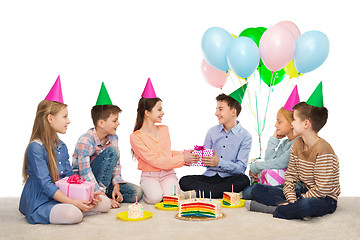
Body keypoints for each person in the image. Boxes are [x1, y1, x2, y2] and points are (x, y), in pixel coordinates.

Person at [19, 77, 110, 224]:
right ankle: (72, 208)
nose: (69, 121)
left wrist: (89, 192)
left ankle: (75, 206)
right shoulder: (35, 148)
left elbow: (69, 177)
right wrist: (73, 202)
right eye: (65, 116)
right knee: (74, 214)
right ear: (50, 118)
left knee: (104, 203)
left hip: (64, 195)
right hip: (41, 201)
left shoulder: (61, 145)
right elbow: (46, 185)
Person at [246, 82, 340, 220]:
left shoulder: (324, 150)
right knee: (258, 189)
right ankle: (289, 207)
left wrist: (301, 199)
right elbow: (290, 177)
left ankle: (274, 209)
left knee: (307, 204)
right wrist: (291, 199)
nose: (292, 124)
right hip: (302, 192)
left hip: (324, 198)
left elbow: (322, 189)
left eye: (294, 120)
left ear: (306, 124)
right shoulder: (297, 145)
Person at [72, 82, 143, 209]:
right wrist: (103, 196)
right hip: (86, 184)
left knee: (136, 193)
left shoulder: (113, 138)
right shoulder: (86, 140)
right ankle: (101, 198)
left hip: (105, 182)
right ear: (101, 123)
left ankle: (107, 195)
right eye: (115, 120)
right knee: (112, 152)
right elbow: (84, 173)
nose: (119, 123)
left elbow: (116, 165)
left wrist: (116, 185)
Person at [130, 78, 198, 204]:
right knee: (155, 198)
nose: (163, 113)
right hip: (149, 176)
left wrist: (185, 154)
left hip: (168, 174)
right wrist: (183, 159)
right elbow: (155, 160)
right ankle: (151, 192)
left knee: (171, 199)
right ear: (147, 113)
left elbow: (166, 153)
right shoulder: (136, 137)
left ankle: (177, 192)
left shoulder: (164, 129)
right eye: (159, 109)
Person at [179, 85, 252, 198]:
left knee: (244, 180)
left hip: (230, 178)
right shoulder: (212, 132)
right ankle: (218, 193)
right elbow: (205, 161)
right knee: (184, 180)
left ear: (233, 112)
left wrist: (219, 163)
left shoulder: (245, 136)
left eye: (220, 109)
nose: (216, 113)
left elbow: (241, 168)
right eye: (217, 109)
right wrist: (193, 159)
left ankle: (203, 193)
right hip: (209, 177)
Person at [243, 86, 299, 199]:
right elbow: (270, 162)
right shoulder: (284, 143)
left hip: (292, 187)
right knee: (247, 191)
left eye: (279, 122)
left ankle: (279, 202)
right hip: (278, 184)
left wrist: (255, 166)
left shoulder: (297, 143)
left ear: (292, 124)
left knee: (251, 192)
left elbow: (280, 163)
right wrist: (274, 138)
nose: (275, 125)